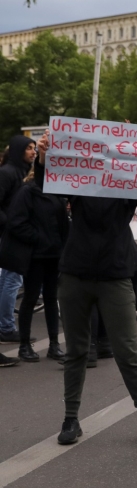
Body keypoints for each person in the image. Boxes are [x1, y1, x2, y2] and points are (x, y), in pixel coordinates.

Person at [58, 149, 137, 446]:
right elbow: (49, 182)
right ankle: (70, 418)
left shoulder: (128, 183)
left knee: (127, 352)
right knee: (76, 351)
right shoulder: (79, 182)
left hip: (115, 274)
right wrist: (46, 157)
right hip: (76, 273)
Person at [0, 140, 67, 363]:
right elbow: (16, 223)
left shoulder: (56, 192)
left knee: (50, 298)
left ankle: (54, 345)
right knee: (29, 299)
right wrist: (39, 240)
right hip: (35, 256)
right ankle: (24, 345)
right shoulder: (27, 192)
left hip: (53, 255)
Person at [0, 135, 37, 345]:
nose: (33, 152)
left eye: (34, 148)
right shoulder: (6, 173)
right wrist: (12, 223)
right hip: (12, 236)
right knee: (11, 282)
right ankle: (6, 327)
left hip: (17, 234)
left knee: (8, 281)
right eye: (29, 148)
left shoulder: (23, 172)